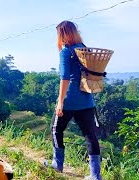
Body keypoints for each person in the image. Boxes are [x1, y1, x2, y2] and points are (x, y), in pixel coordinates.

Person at [44, 21, 102, 180]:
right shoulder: (85, 49)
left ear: (62, 35)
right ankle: (95, 175)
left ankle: (58, 164)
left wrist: (60, 102)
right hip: (87, 100)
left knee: (56, 130)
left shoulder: (66, 51)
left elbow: (64, 78)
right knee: (90, 136)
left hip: (69, 100)